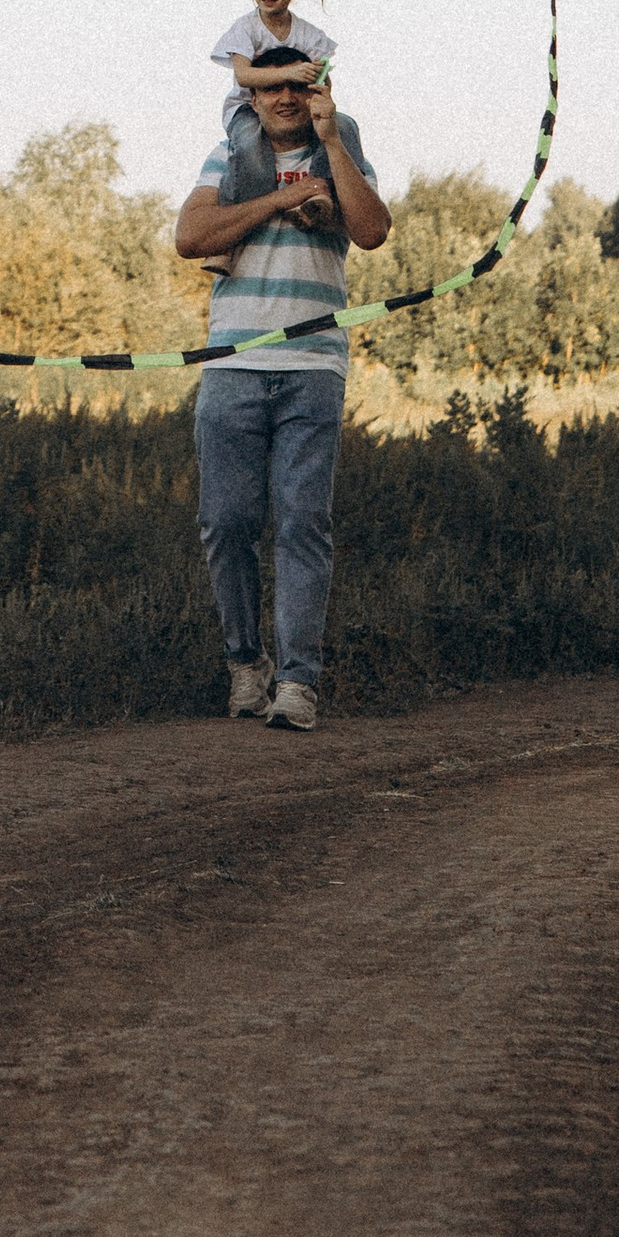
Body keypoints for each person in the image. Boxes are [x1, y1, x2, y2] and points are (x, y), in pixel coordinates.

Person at [174, 46, 387, 731]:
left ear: (317, 90)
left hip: (313, 367)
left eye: (301, 86)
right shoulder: (230, 159)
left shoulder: (339, 153)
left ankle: (298, 681)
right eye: (274, 89)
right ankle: (245, 665)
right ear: (256, 97)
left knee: (302, 523)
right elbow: (190, 235)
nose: (286, 99)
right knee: (226, 522)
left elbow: (373, 230)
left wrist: (329, 144)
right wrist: (281, 200)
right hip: (231, 365)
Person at [211, 0, 334, 125]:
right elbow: (244, 76)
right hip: (246, 108)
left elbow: (324, 81)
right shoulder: (245, 28)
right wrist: (292, 72)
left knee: (343, 126)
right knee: (249, 143)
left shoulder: (310, 35)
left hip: (295, 107)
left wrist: (319, 76)